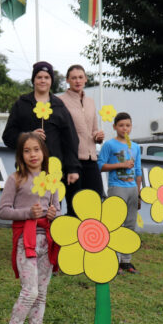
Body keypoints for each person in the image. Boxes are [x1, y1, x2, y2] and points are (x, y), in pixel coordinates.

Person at [0, 133, 60, 324]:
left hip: (48, 241)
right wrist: (27, 214)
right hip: (27, 240)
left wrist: (54, 214)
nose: (32, 154)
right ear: (20, 155)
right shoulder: (16, 179)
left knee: (41, 294)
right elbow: (3, 211)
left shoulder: (53, 181)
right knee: (30, 291)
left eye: (36, 149)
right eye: (27, 150)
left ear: (44, 152)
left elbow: (57, 209)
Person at [1, 61, 81, 201]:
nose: (43, 80)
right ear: (33, 80)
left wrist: (72, 168)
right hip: (26, 170)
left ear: (51, 81)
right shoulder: (22, 104)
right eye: (39, 77)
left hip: (53, 170)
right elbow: (8, 136)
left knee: (51, 212)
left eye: (46, 77)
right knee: (27, 208)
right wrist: (27, 137)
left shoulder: (59, 106)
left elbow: (71, 140)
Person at [98, 112, 142, 274]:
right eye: (121, 125)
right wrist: (120, 165)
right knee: (116, 224)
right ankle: (113, 260)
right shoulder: (109, 145)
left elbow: (138, 170)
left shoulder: (135, 147)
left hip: (132, 189)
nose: (125, 128)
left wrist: (139, 193)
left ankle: (126, 261)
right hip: (117, 187)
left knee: (131, 224)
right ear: (115, 127)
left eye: (128, 125)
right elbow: (100, 165)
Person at [58, 65, 105, 215]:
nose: (77, 81)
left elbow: (93, 129)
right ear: (67, 80)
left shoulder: (90, 101)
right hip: (72, 161)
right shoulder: (60, 101)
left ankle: (91, 237)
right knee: (75, 206)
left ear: (85, 79)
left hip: (91, 158)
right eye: (73, 78)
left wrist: (98, 135)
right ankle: (71, 237)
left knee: (96, 201)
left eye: (80, 77)